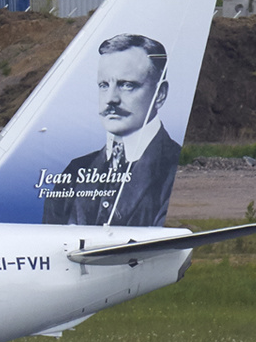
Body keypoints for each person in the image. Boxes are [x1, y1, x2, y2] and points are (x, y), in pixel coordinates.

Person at [41, 33, 182, 227]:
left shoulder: (176, 169)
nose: (111, 99)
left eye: (127, 85)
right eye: (104, 85)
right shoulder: (75, 171)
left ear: (160, 94)